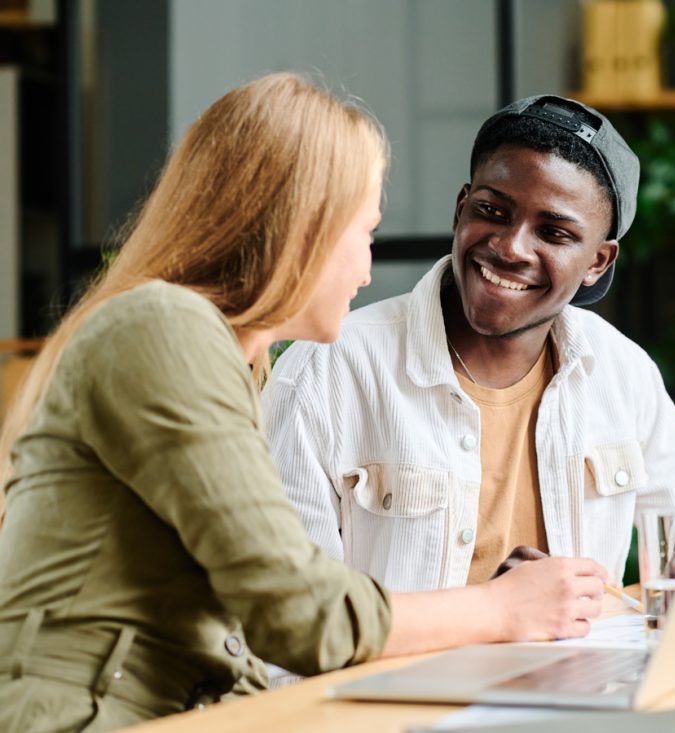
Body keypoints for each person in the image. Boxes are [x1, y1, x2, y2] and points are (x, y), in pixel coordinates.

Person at [0, 75, 607, 732]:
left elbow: (251, 631)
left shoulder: (233, 360)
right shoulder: (163, 330)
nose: (368, 270)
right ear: (304, 226)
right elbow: (298, 612)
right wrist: (502, 608)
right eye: (365, 232)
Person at [264, 95, 675, 593]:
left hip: (585, 668)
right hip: (402, 675)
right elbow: (291, 624)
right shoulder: (328, 371)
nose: (510, 247)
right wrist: (491, 616)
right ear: (462, 209)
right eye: (492, 211)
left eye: (554, 232)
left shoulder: (620, 370)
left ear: (597, 263)